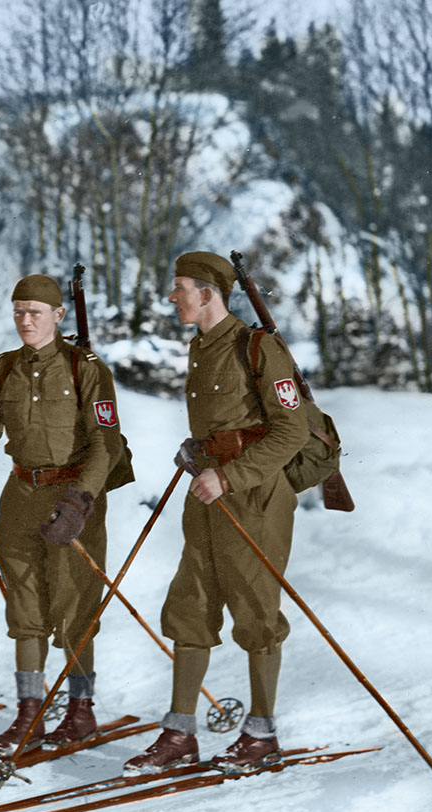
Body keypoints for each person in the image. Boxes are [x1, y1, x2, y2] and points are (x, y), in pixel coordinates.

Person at [124, 251, 309, 773]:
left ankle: (262, 734)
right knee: (190, 605)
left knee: (256, 612)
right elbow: (226, 423)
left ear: (208, 293)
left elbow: (291, 431)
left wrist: (228, 475)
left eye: (180, 287)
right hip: (205, 493)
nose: (172, 297)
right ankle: (179, 733)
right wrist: (199, 450)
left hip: (254, 498)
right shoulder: (200, 347)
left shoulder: (258, 347)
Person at [0, 275, 127, 754]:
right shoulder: (4, 368)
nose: (25, 320)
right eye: (18, 311)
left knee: (76, 605)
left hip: (72, 497)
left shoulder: (85, 369)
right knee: (24, 608)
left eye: (35, 312)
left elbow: (106, 443)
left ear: (58, 316)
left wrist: (80, 501)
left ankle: (80, 711)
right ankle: (29, 713)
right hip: (20, 495)